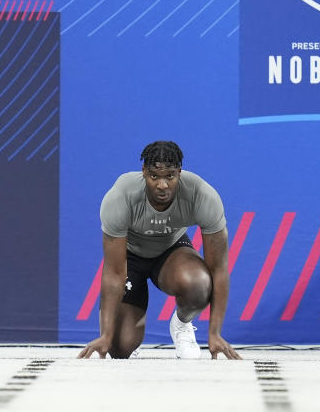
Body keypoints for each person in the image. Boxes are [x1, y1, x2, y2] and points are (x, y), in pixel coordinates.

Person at [78, 141, 241, 360]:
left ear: (180, 173)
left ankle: (181, 325)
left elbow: (218, 269)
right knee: (118, 348)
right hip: (130, 258)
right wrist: (106, 335)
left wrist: (215, 333)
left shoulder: (202, 195)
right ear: (144, 173)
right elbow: (114, 272)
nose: (162, 185)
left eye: (170, 176)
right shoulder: (120, 197)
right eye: (154, 176)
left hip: (171, 252)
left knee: (199, 283)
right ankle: (127, 338)